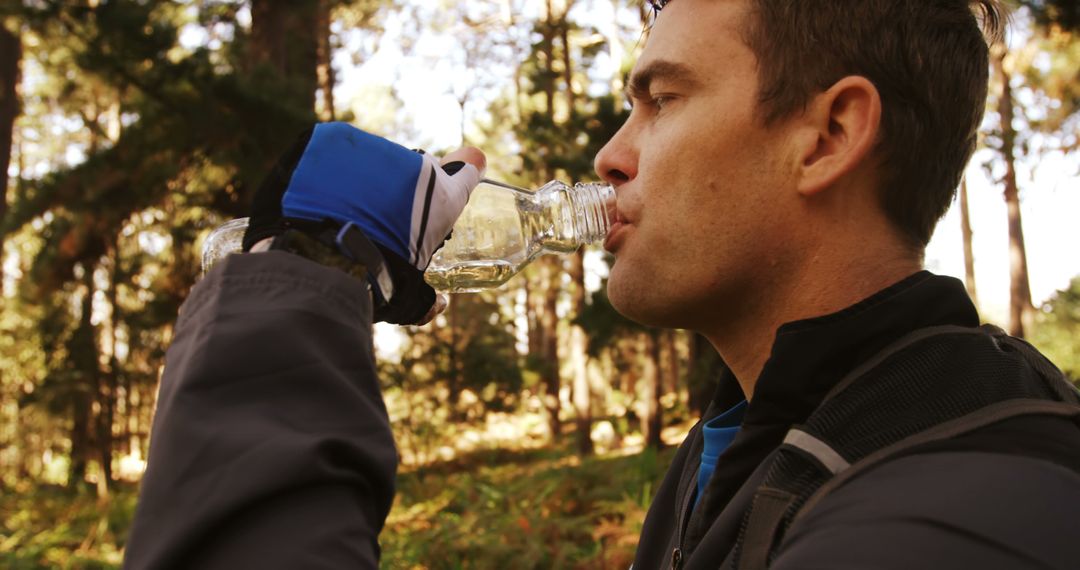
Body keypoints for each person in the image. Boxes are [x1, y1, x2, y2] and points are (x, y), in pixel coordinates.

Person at [124, 0, 1080, 568]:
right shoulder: (752, 445)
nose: (608, 156)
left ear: (826, 137)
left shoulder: (956, 510)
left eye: (661, 100)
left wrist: (303, 281)